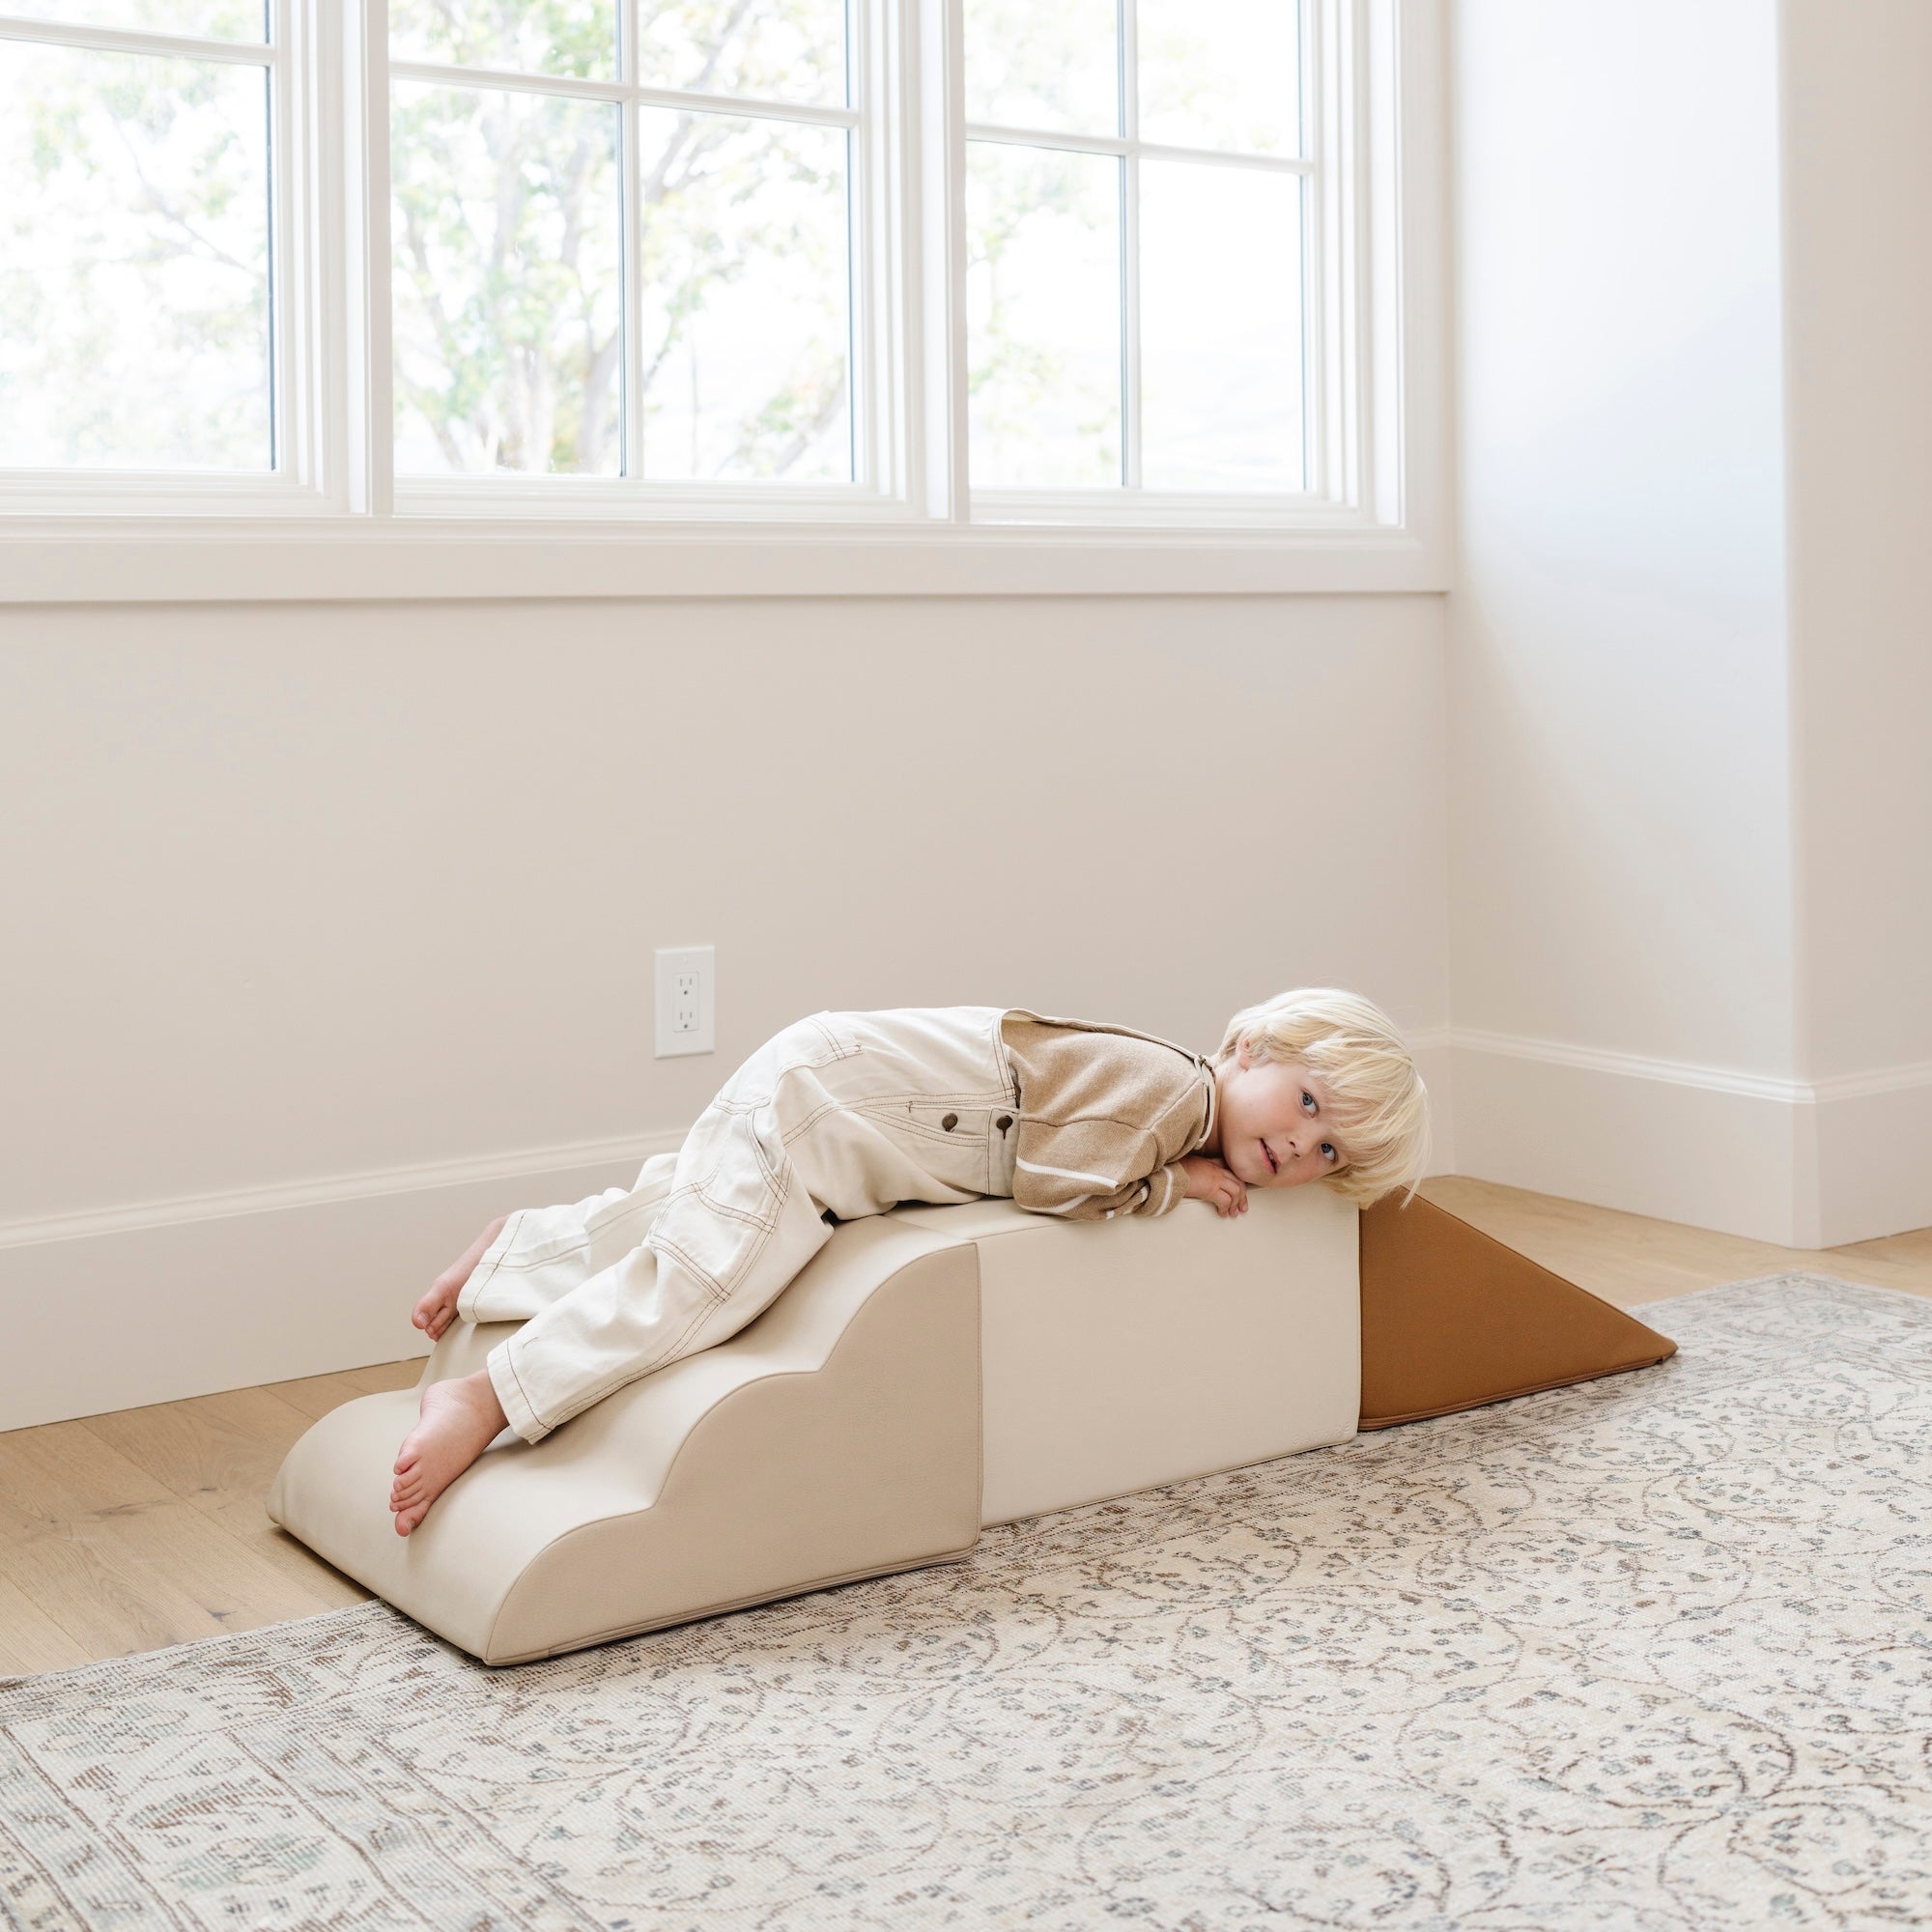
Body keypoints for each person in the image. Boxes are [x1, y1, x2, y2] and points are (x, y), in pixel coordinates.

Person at [389, 991, 1430, 1534]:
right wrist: (1172, 1187)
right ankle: (491, 1395)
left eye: (1329, 1152)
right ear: (1246, 1050)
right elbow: (1057, 1183)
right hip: (827, 1112)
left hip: (822, 1079)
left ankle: (522, 1251)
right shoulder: (1168, 1094)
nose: (1300, 1146)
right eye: (1306, 1103)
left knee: (684, 1211)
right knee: (706, 1281)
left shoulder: (1168, 1092)